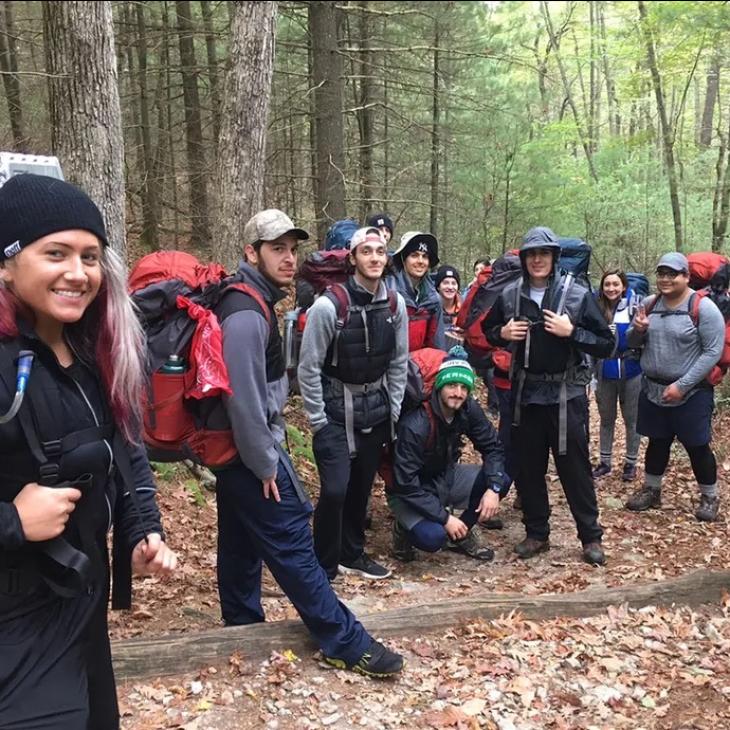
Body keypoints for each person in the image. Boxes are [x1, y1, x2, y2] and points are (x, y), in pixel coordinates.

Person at [0, 173, 177, 729]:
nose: (78, 273)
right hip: (14, 626)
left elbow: (124, 451)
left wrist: (142, 530)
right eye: (56, 253)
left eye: (91, 256)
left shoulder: (95, 354)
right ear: (6, 263)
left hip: (81, 607)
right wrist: (12, 521)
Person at [211, 210, 403, 676]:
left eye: (292, 249)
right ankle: (344, 640)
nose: (288, 258)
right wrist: (265, 464)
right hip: (248, 451)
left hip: (238, 450)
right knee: (294, 536)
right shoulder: (243, 313)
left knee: (240, 533)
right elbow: (244, 400)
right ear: (250, 253)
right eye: (276, 248)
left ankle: (241, 622)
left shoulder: (256, 300)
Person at [483, 226, 614, 566]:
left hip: (565, 395)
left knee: (574, 467)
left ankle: (591, 536)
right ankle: (537, 532)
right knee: (529, 467)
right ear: (524, 259)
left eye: (543, 253)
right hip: (525, 394)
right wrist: (502, 333)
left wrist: (572, 333)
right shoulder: (510, 294)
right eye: (531, 254)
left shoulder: (576, 294)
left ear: (555, 257)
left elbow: (606, 343)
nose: (537, 259)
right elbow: (487, 331)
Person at [298, 226, 409, 581]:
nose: (374, 257)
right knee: (334, 490)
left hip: (375, 410)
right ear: (352, 258)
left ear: (387, 259)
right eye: (366, 251)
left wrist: (392, 411)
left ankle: (352, 553)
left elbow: (399, 361)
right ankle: (323, 564)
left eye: (380, 251)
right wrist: (316, 420)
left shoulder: (395, 304)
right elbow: (309, 366)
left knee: (361, 488)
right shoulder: (329, 307)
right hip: (333, 410)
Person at [625, 252, 725, 522]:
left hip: (692, 392)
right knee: (657, 441)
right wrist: (638, 329)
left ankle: (709, 496)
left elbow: (713, 351)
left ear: (686, 277)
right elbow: (632, 342)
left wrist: (682, 385)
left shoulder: (703, 308)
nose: (666, 279)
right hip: (653, 389)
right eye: (661, 273)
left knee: (697, 445)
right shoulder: (650, 304)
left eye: (673, 274)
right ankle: (652, 490)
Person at [388, 347, 505, 563]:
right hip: (409, 490)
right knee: (433, 538)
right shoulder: (416, 424)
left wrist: (494, 488)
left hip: (445, 475)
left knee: (500, 479)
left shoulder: (467, 409)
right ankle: (403, 529)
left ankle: (460, 534)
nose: (457, 393)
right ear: (440, 386)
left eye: (463, 387)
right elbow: (405, 484)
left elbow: (493, 447)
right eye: (452, 385)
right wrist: (445, 518)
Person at [592, 269, 643, 482]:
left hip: (632, 370)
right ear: (602, 287)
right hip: (605, 370)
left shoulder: (635, 307)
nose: (611, 288)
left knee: (632, 419)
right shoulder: (595, 308)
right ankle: (605, 462)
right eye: (607, 285)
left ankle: (631, 463)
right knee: (606, 418)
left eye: (615, 284)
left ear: (623, 286)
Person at [386, 231, 446, 351]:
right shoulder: (388, 291)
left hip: (417, 364)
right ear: (403, 259)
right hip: (390, 362)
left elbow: (436, 343)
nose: (420, 261)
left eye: (425, 256)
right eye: (414, 255)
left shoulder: (433, 299)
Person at [435, 264, 463, 329]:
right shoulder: (431, 308)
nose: (450, 287)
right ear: (438, 287)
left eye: (454, 283)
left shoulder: (465, 308)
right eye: (445, 283)